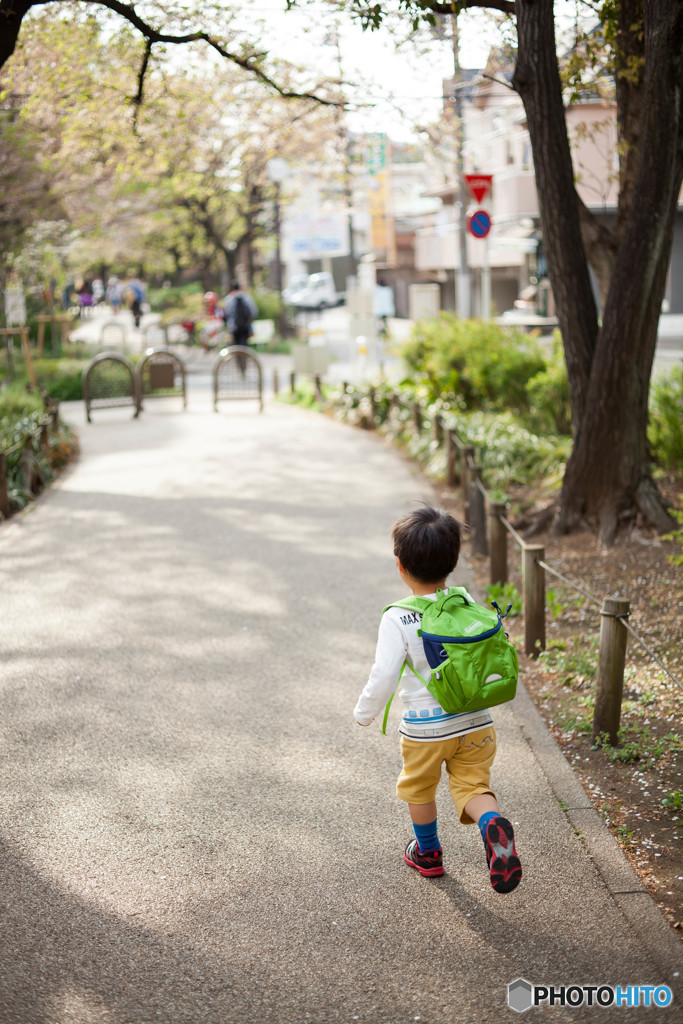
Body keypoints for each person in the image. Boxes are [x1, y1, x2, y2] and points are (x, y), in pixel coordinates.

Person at [353, 505, 522, 893]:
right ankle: (491, 822)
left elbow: (384, 674)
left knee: (419, 788)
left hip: (425, 731)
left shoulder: (398, 618)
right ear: (453, 562)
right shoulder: (468, 606)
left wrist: (365, 713)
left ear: (400, 565)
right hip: (477, 722)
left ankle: (428, 854)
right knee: (473, 787)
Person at [223, 280, 257, 347]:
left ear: (231, 288)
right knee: (244, 344)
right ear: (240, 287)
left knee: (236, 345)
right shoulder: (247, 297)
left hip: (233, 326)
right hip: (245, 325)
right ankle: (243, 356)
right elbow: (254, 311)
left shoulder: (228, 298)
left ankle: (238, 356)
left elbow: (226, 313)